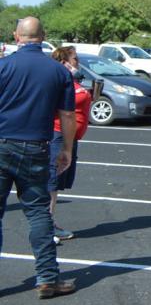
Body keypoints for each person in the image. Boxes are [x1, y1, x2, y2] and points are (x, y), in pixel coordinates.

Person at [0, 17, 77, 298]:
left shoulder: (3, 66)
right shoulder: (58, 72)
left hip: (1, 143)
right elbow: (67, 115)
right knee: (37, 214)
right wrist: (66, 149)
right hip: (35, 148)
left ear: (16, 36)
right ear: (43, 37)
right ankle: (47, 278)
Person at [47, 47, 91, 244]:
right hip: (58, 135)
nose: (77, 62)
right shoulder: (58, 81)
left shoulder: (73, 81)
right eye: (74, 58)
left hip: (70, 138)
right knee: (52, 182)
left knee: (58, 182)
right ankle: (47, 226)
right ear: (64, 61)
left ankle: (49, 223)